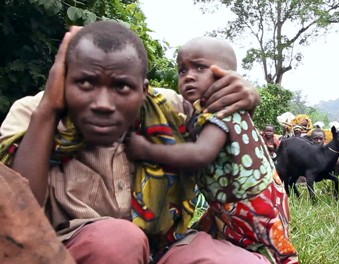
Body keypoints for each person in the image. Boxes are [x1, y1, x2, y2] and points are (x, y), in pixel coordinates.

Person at [0, 21, 269, 263]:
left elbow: (225, 134)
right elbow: (17, 216)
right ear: (63, 80)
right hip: (64, 251)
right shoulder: (33, 113)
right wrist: (48, 110)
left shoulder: (170, 111)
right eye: (84, 83)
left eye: (122, 87)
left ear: (144, 89)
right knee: (118, 241)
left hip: (163, 248)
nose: (103, 104)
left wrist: (244, 98)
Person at [125, 36, 298, 264]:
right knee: (221, 235)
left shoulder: (223, 110)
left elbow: (199, 155)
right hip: (228, 202)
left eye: (200, 67)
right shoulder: (200, 111)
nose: (188, 76)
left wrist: (146, 150)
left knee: (269, 245)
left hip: (253, 202)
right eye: (182, 70)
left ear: (228, 77)